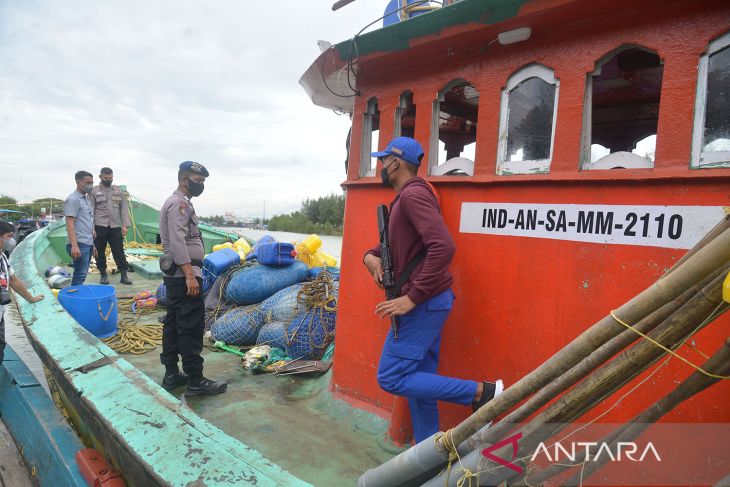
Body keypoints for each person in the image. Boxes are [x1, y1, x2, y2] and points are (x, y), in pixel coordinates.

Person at [363, 136, 503, 443]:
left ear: (396, 163)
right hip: (432, 301)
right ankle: (428, 451)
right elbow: (389, 248)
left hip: (423, 303)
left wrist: (411, 299)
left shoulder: (413, 197)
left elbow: (443, 246)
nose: (381, 166)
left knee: (392, 377)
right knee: (418, 383)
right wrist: (370, 258)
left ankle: (482, 392)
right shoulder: (406, 198)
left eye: (384, 160)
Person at [159, 161, 226, 396]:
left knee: (173, 324)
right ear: (184, 180)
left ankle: (172, 374)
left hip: (176, 275)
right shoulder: (179, 205)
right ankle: (195, 380)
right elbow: (178, 241)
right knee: (190, 326)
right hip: (183, 275)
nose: (201, 186)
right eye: (198, 181)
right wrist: (189, 275)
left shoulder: (178, 202)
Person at [0, 221, 44, 364]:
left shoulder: (3, 258)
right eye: (9, 236)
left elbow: (14, 281)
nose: (12, 240)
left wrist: (31, 298)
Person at [90, 167, 132, 285]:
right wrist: (92, 228)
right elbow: (91, 210)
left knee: (118, 250)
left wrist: (124, 226)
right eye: (105, 178)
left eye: (110, 178)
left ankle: (124, 275)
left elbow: (123, 209)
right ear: (100, 177)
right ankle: (103, 274)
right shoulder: (94, 191)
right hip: (100, 226)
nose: (108, 180)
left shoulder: (118, 191)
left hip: (115, 226)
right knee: (99, 251)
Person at [64, 171, 97, 286]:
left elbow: (87, 223)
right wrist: (74, 245)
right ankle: (74, 297)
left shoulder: (86, 200)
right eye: (88, 182)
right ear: (78, 182)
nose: (91, 185)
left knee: (82, 274)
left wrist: (93, 245)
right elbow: (69, 224)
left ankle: (76, 295)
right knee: (80, 274)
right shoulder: (73, 200)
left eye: (92, 182)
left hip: (87, 242)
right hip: (79, 243)